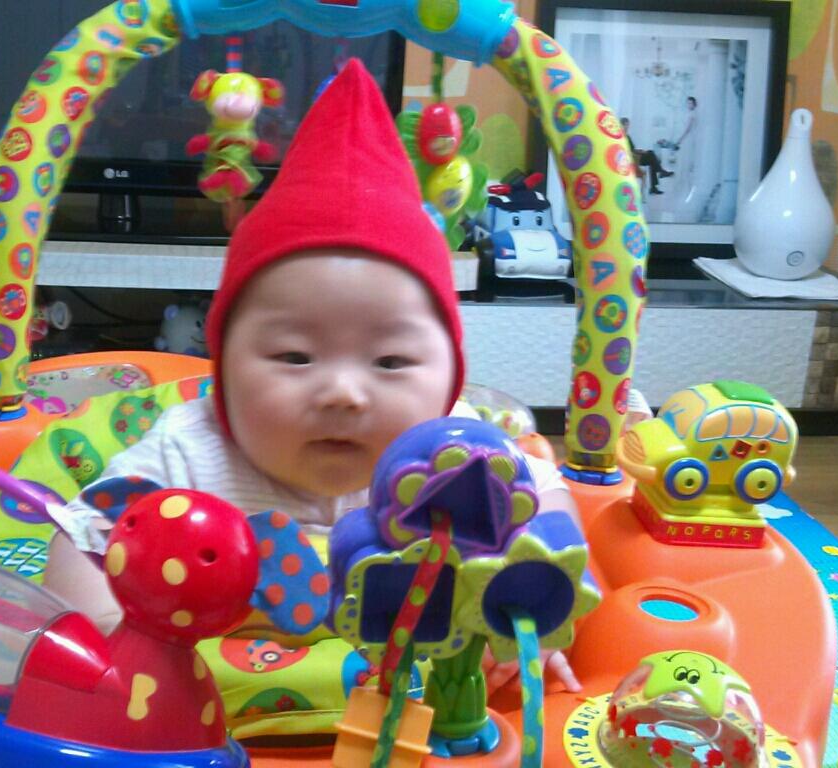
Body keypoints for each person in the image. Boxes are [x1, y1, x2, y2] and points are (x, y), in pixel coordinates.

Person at [45, 58, 584, 707]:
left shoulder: (460, 455)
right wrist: (110, 641)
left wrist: (532, 616)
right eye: (295, 356)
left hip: (420, 708)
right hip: (202, 712)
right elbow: (84, 536)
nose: (343, 393)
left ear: (449, 381)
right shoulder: (188, 453)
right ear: (224, 365)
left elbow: (547, 501)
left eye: (391, 362)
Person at [621, 116, 673, 195]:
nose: (628, 127)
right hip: (632, 159)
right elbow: (626, 151)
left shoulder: (627, 136)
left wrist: (641, 151)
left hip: (635, 155)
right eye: (626, 125)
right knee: (651, 156)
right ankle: (660, 172)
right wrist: (639, 152)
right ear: (622, 125)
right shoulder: (621, 137)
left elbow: (632, 149)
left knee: (651, 159)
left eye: (628, 125)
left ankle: (654, 187)